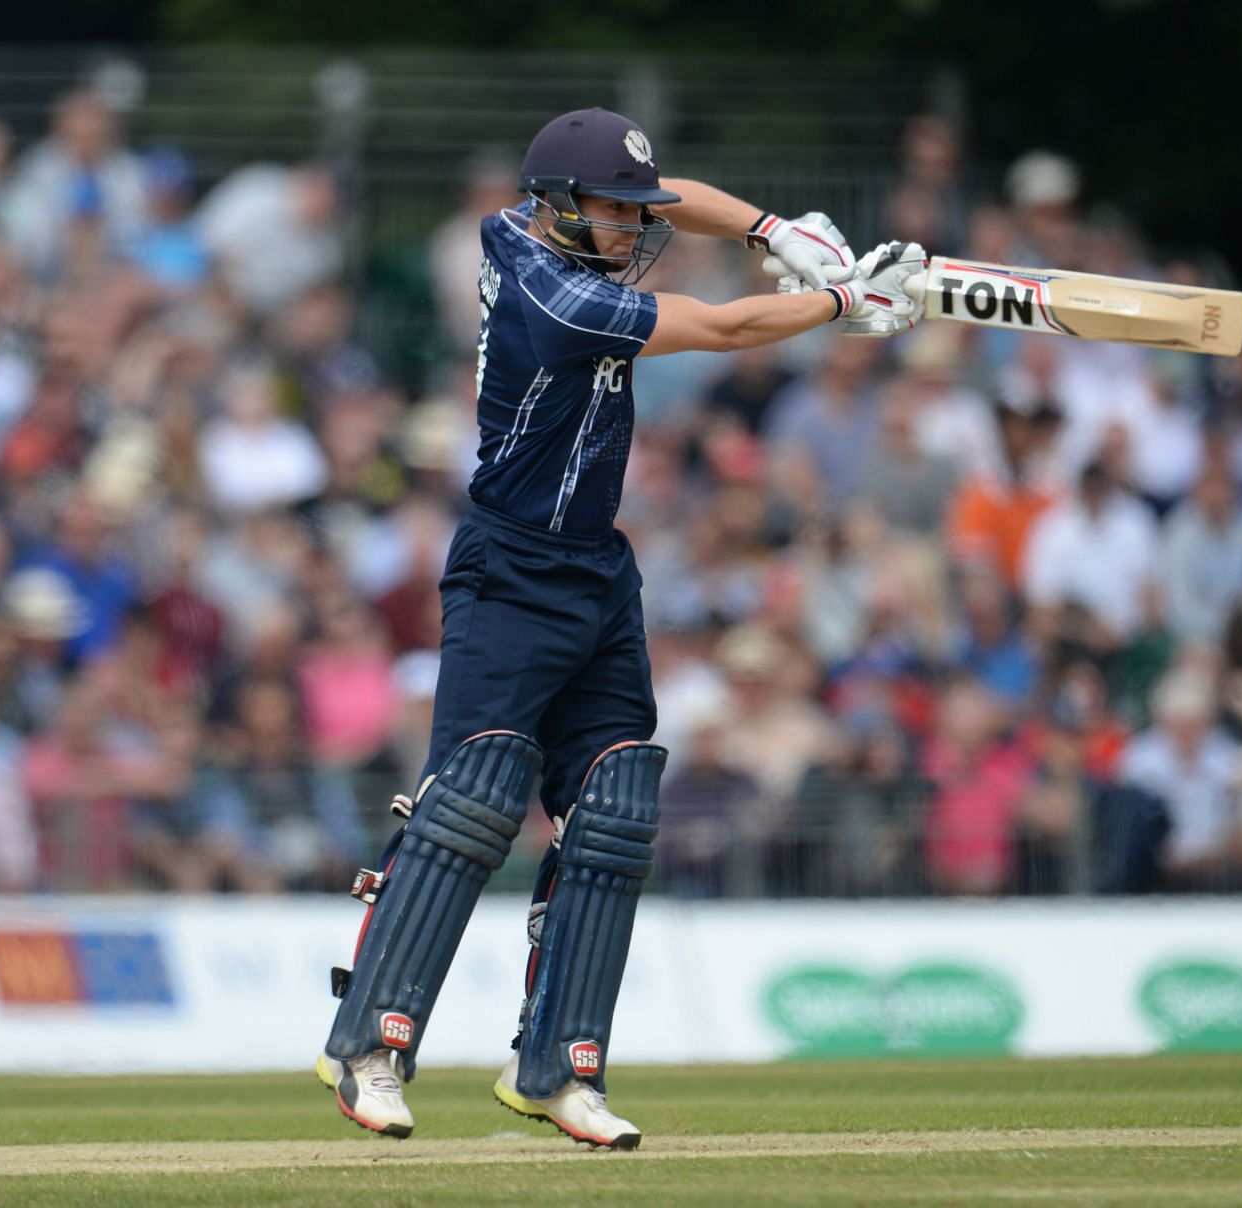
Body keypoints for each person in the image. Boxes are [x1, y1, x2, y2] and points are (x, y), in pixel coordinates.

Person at [316, 107, 923, 1146]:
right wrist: (837, 301)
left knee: (614, 808)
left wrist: (772, 229)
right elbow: (728, 329)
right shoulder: (556, 294)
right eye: (612, 212)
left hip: (597, 566)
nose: (636, 227)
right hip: (509, 567)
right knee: (472, 801)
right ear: (559, 208)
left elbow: (663, 194)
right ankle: (367, 1047)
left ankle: (560, 1068)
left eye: (633, 210)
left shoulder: (559, 221)